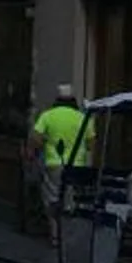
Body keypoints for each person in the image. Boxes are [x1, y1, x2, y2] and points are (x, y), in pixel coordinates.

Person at [26, 85, 88, 248]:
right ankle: (67, 235)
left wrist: (36, 152)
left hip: (54, 163)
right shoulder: (83, 118)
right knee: (69, 199)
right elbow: (91, 143)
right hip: (77, 165)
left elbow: (36, 139)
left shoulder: (48, 116)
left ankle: (55, 236)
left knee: (52, 199)